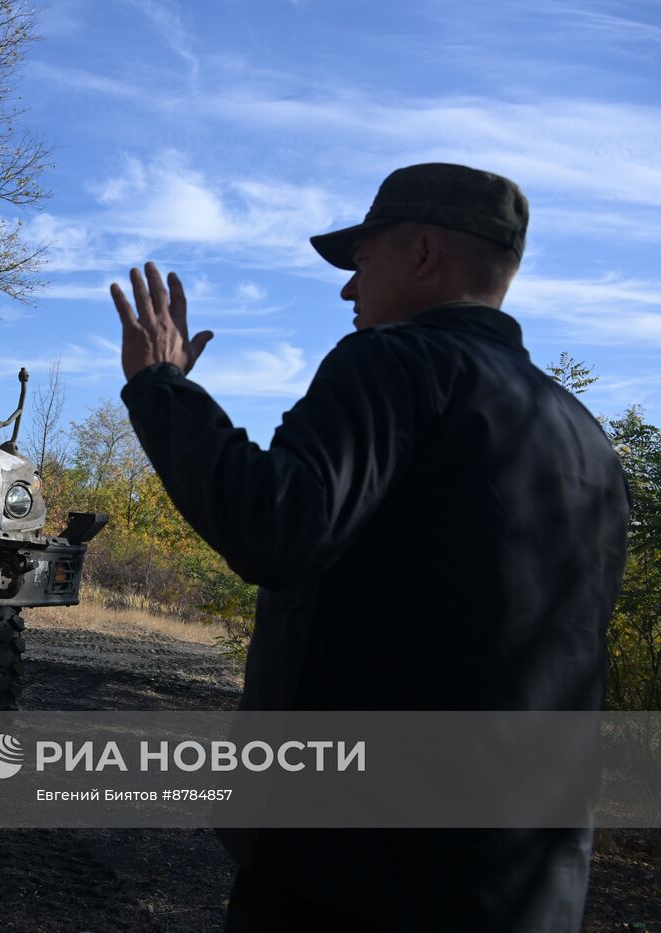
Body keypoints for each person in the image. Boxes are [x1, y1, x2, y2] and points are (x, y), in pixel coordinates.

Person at [109, 163, 630, 932]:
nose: (349, 291)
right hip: (528, 886)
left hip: (356, 877)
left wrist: (159, 384)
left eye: (360, 263)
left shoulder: (395, 363)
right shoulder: (589, 442)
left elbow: (276, 527)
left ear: (423, 254)